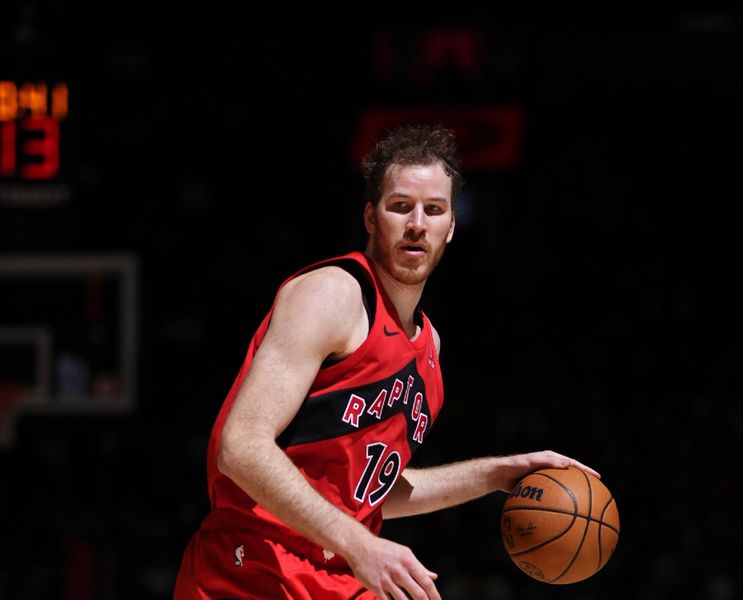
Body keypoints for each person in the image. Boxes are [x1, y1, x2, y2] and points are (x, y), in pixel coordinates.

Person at [174, 124, 599, 600]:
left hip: (337, 575)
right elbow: (241, 446)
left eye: (433, 209)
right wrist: (361, 545)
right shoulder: (333, 294)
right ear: (372, 218)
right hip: (251, 567)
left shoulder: (429, 352)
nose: (417, 222)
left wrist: (496, 475)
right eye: (400, 206)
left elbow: (364, 496)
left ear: (451, 227)